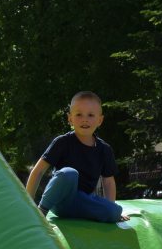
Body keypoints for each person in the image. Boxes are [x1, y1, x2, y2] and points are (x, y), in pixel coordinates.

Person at [26, 91, 128, 222]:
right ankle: (42, 211)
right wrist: (27, 205)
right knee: (69, 173)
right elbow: (38, 171)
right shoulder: (62, 142)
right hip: (59, 201)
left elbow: (108, 182)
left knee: (115, 211)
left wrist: (110, 206)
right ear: (70, 119)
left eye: (90, 115)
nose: (85, 119)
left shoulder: (104, 149)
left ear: (100, 120)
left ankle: (106, 211)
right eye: (79, 114)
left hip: (82, 203)